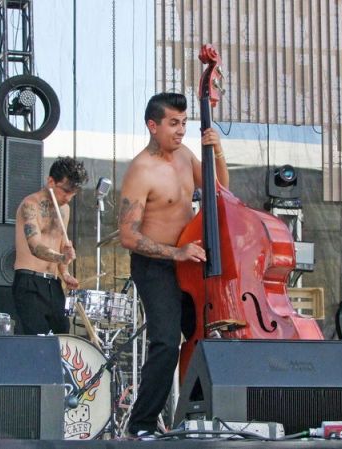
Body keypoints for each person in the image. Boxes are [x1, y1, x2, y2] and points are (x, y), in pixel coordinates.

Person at [118, 92, 229, 438]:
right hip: (155, 265)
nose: (181, 130)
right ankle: (141, 424)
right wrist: (175, 253)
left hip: (189, 263)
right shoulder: (141, 170)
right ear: (153, 126)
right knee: (166, 342)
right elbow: (128, 235)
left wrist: (217, 150)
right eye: (173, 123)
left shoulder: (185, 155)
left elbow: (220, 190)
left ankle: (197, 416)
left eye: (184, 123)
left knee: (205, 336)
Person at [13, 156, 89, 335]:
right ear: (51, 182)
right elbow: (35, 246)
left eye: (73, 193)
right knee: (38, 339)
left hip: (53, 283)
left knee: (62, 337)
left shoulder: (65, 209)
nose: (68, 198)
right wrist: (62, 257)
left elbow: (61, 242)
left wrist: (65, 273)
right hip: (29, 281)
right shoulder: (30, 205)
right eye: (65, 191)